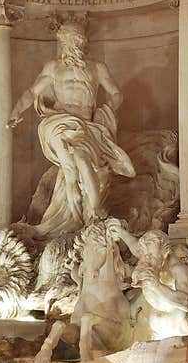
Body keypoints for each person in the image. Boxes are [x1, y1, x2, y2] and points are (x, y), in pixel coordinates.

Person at [8, 19, 135, 239]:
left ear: (82, 42)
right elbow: (32, 93)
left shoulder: (97, 68)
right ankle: (71, 184)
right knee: (57, 134)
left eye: (75, 40)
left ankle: (93, 215)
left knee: (83, 161)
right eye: (67, 41)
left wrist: (105, 110)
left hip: (86, 126)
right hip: (60, 119)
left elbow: (117, 94)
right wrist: (16, 111)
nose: (70, 45)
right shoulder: (53, 67)